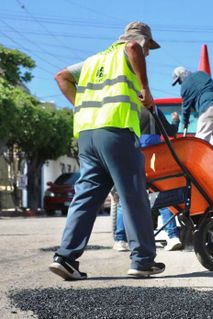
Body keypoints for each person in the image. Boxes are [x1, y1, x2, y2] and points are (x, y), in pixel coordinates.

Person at [50, 21, 165, 280]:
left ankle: (65, 258)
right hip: (116, 131)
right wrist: (146, 89)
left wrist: (81, 106)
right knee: (134, 195)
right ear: (143, 41)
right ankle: (143, 260)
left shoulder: (92, 61)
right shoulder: (130, 49)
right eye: (149, 49)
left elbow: (61, 77)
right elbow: (134, 47)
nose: (147, 54)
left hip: (88, 135)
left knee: (86, 197)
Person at [113, 107, 183, 252]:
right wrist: (176, 120)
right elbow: (170, 132)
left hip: (133, 156)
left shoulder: (127, 107)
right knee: (163, 195)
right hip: (154, 159)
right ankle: (172, 236)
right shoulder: (154, 109)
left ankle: (121, 239)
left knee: (125, 198)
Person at [171, 66, 213, 150]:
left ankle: (196, 162)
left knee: (201, 140)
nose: (180, 84)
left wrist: (185, 123)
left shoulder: (185, 86)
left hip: (210, 107)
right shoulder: (201, 74)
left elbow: (185, 108)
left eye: (179, 81)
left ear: (181, 76)